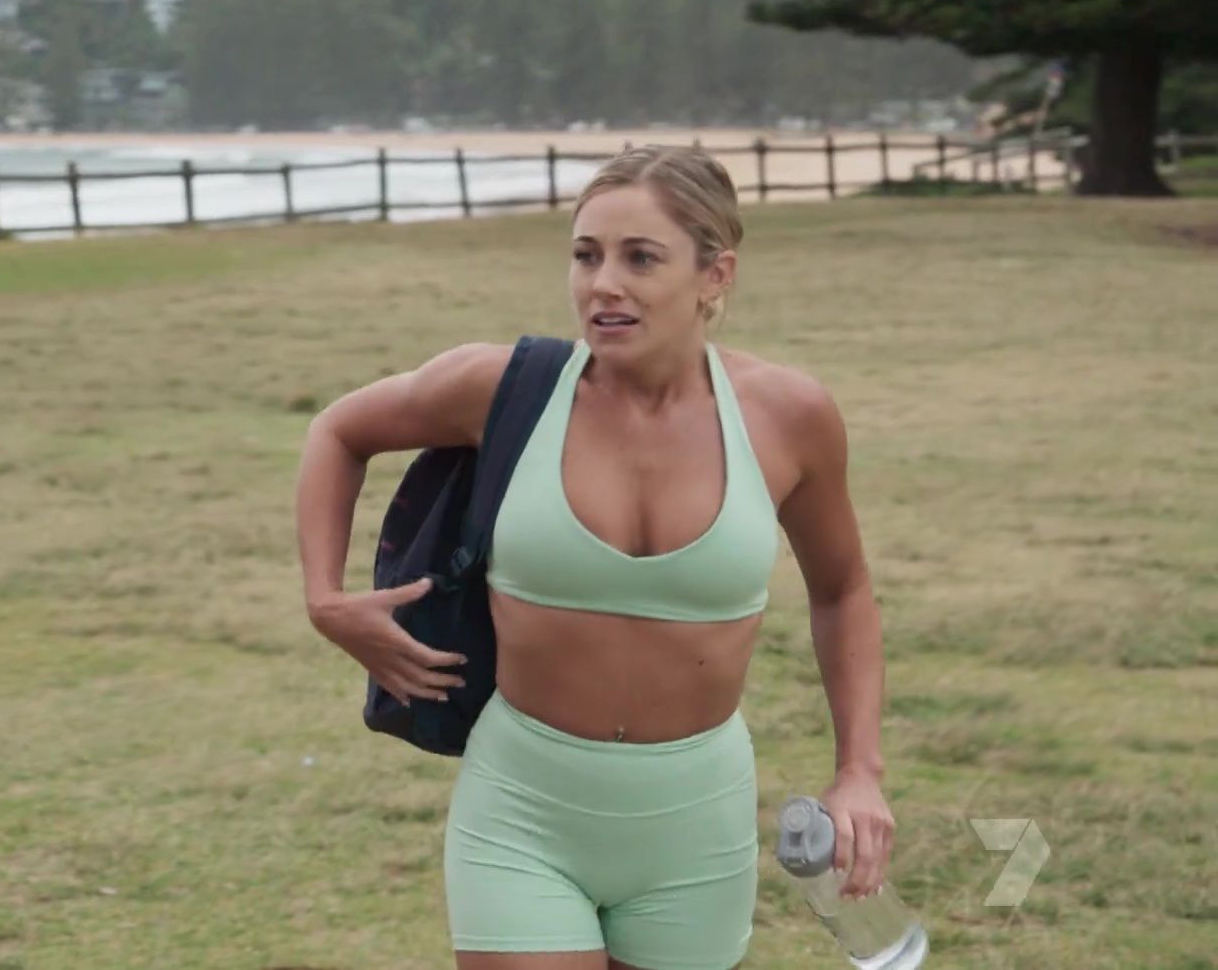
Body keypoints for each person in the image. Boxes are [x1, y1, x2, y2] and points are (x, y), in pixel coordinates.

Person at [295, 146, 894, 970]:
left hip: (697, 820)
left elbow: (843, 590)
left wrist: (859, 768)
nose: (602, 284)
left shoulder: (788, 417)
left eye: (640, 258)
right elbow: (339, 431)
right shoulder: (501, 388)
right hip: (523, 808)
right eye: (586, 256)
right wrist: (325, 600)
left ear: (714, 275)